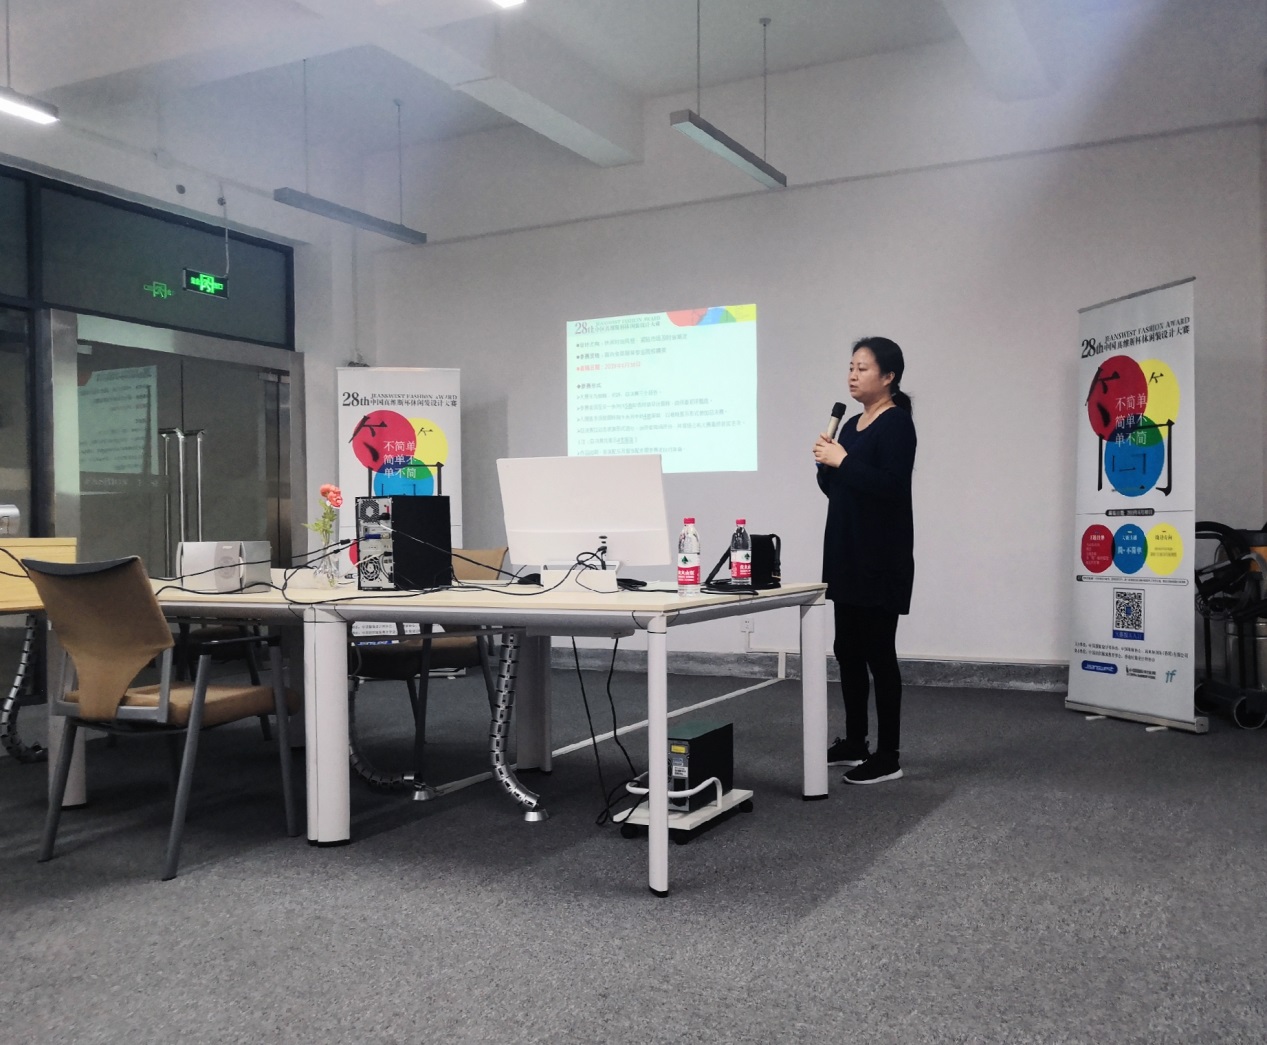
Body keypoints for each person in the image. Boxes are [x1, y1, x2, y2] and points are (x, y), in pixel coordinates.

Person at [813, 336, 916, 784]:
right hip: (846, 552)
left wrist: (843, 461)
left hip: (880, 557)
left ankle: (888, 754)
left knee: (878, 653)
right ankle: (856, 741)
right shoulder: (852, 424)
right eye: (851, 367)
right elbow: (838, 490)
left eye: (863, 368)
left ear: (889, 376)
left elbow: (891, 487)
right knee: (847, 651)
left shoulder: (897, 424)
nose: (853, 375)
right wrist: (826, 464)